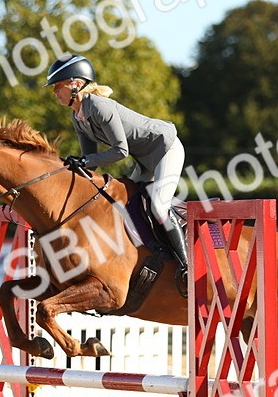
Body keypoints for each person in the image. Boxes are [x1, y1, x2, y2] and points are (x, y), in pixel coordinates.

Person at [45, 53, 188, 295]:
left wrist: (84, 161)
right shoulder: (77, 116)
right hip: (145, 159)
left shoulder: (99, 106)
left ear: (75, 84)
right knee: (127, 203)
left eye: (57, 86)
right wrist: (66, 174)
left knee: (158, 206)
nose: (54, 92)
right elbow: (90, 161)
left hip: (166, 148)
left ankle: (186, 265)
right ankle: (152, 251)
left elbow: (121, 151)